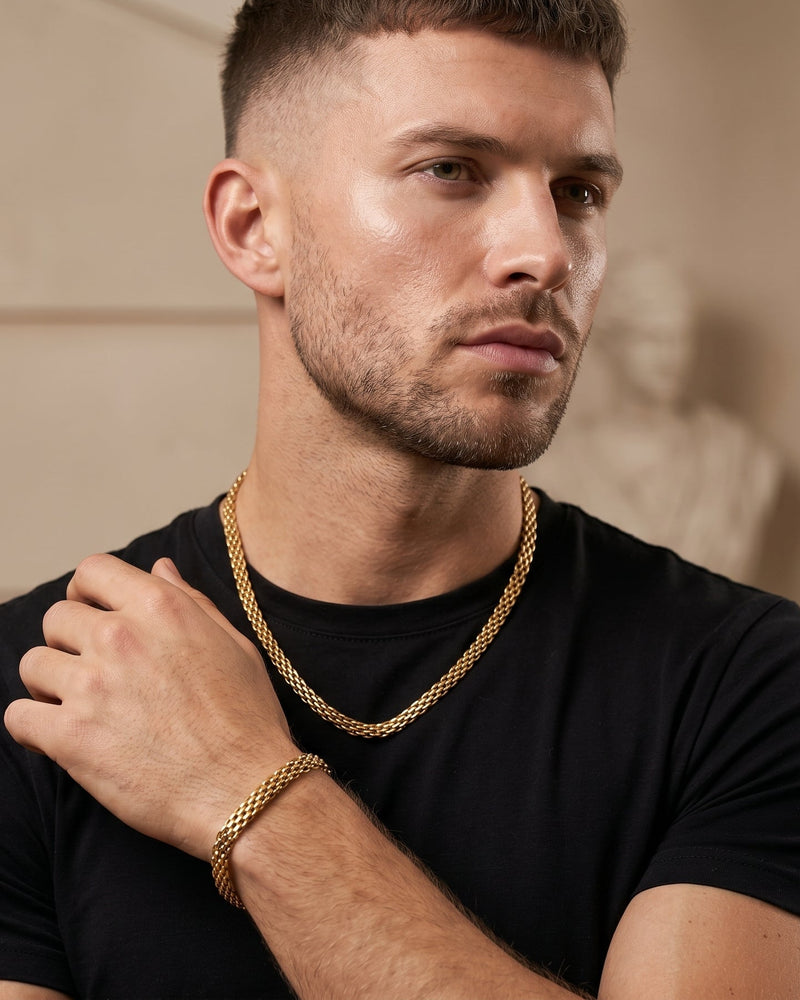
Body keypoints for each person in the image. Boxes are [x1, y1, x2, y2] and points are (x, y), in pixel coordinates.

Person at [2, 2, 799, 998]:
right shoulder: (48, 684)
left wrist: (253, 793)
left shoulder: (752, 687)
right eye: (451, 170)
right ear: (254, 228)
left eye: (578, 190)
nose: (544, 252)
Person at [530, 254, 781, 580]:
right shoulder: (554, 465)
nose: (672, 355)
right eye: (652, 337)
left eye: (681, 337)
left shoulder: (739, 458)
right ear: (611, 344)